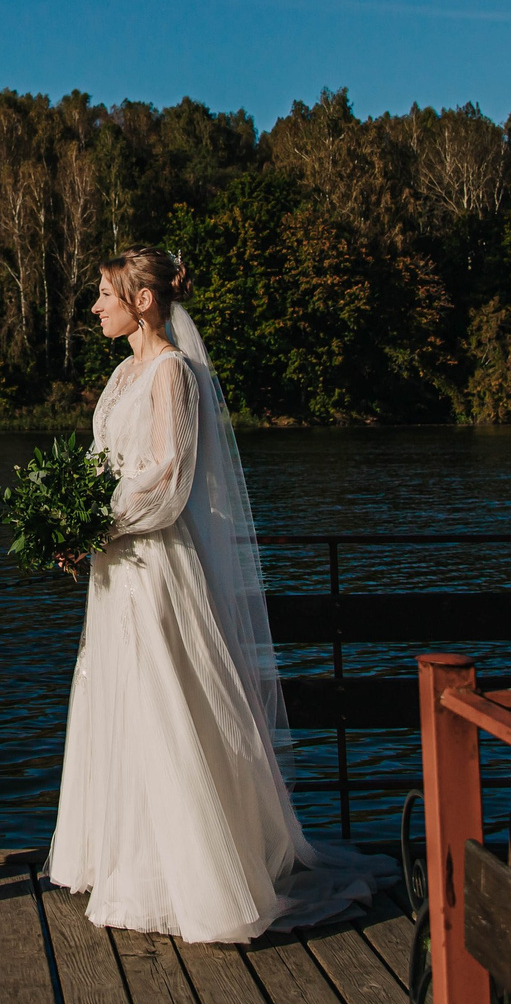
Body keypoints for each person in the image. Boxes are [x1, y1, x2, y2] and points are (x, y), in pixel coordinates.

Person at [48, 245, 385, 942]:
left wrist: (97, 520)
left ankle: (193, 876)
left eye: (105, 293)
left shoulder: (173, 371)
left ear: (142, 299)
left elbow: (170, 476)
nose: (95, 306)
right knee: (122, 701)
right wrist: (68, 518)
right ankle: (131, 862)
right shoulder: (119, 376)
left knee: (166, 702)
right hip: (116, 569)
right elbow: (99, 463)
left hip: (156, 566)